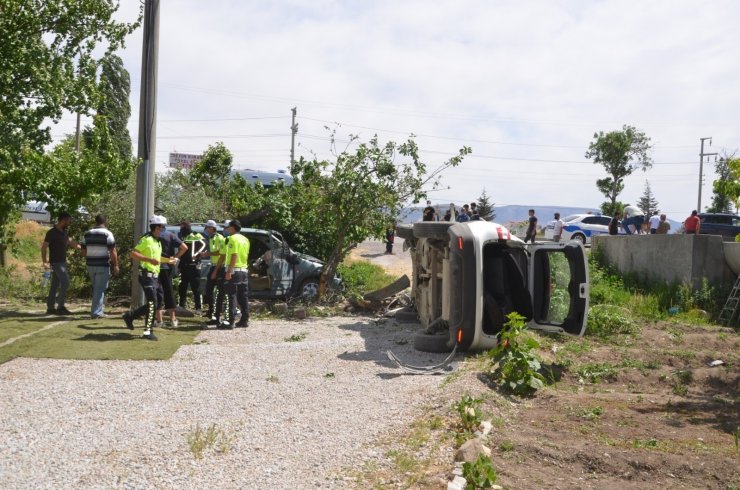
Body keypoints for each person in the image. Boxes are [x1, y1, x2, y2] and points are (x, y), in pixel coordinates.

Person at [122, 215, 177, 341]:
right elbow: (133, 253)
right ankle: (148, 331)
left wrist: (168, 260)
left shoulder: (157, 241)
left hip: (155, 277)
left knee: (156, 302)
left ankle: (130, 316)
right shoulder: (146, 239)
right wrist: (148, 260)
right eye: (161, 227)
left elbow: (156, 259)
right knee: (153, 303)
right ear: (155, 227)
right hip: (147, 276)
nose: (163, 230)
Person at [41, 212, 81, 315]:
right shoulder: (51, 232)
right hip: (56, 263)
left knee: (54, 285)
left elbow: (71, 242)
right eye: (68, 220)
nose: (69, 222)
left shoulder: (64, 233)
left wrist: (83, 249)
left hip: (62, 262)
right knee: (66, 282)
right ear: (63, 220)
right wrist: (45, 262)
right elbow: (44, 247)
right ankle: (60, 307)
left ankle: (50, 308)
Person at [80, 214, 119, 319]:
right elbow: (113, 251)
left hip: (90, 264)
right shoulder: (107, 234)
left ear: (95, 221)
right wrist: (116, 265)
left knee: (97, 288)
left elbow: (83, 250)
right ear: (105, 222)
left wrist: (89, 256)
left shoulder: (87, 233)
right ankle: (96, 313)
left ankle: (98, 310)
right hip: (102, 265)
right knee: (99, 289)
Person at [156, 217, 187, 328]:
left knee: (157, 293)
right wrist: (175, 257)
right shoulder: (170, 235)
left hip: (155, 267)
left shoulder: (152, 235)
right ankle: (173, 320)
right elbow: (184, 247)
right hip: (167, 268)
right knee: (169, 292)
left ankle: (159, 321)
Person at [220, 220, 250, 329]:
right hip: (244, 270)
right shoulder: (245, 239)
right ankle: (244, 320)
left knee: (231, 295)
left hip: (234, 270)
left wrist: (229, 271)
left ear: (232, 228)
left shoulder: (232, 239)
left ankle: (230, 321)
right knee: (243, 296)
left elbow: (234, 255)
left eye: (228, 227)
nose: (227, 229)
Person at [177, 221, 206, 312]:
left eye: (182, 227)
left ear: (187, 227)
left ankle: (198, 307)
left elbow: (204, 245)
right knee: (182, 287)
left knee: (196, 287)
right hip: (184, 266)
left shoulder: (196, 235)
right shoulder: (182, 237)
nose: (181, 229)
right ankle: (182, 306)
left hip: (194, 266)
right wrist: (179, 265)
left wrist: (197, 255)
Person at [201, 220, 225, 322]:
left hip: (219, 267)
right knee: (209, 290)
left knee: (218, 291)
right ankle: (212, 311)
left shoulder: (220, 238)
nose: (206, 229)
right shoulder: (211, 238)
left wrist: (208, 254)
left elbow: (221, 253)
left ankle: (217, 313)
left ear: (212, 228)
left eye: (207, 227)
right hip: (213, 265)